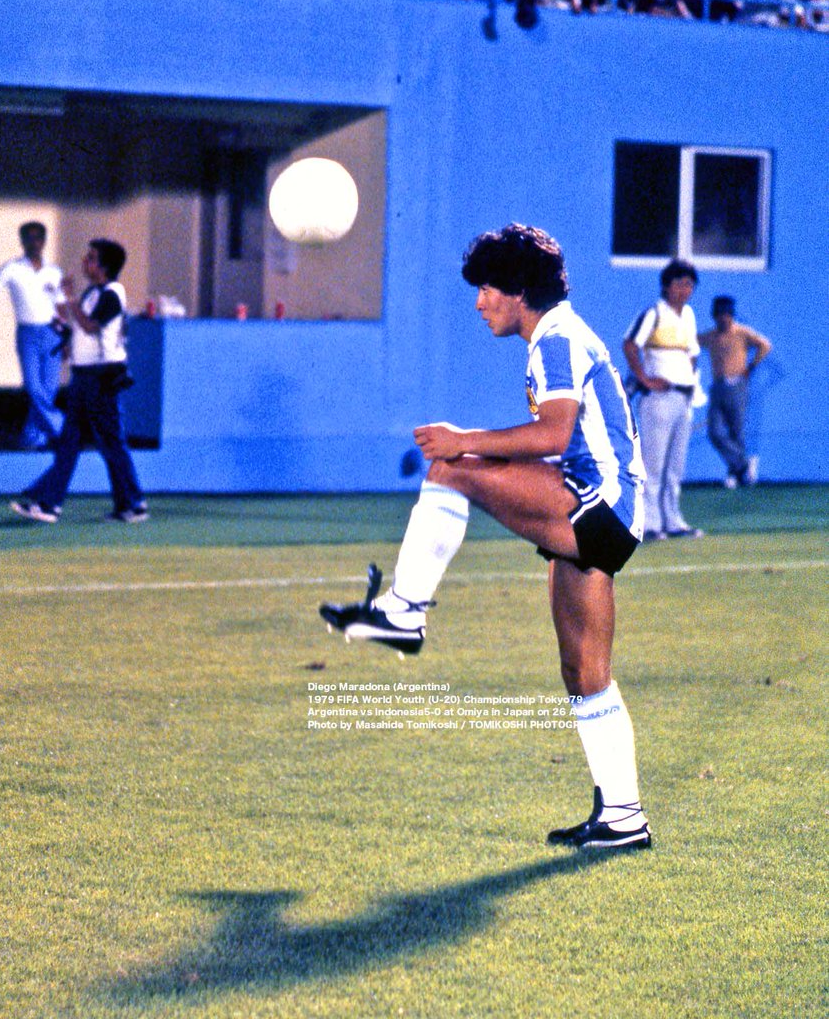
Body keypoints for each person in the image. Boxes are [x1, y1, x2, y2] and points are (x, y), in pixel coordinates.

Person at [320, 224, 652, 854]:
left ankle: (404, 613)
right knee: (584, 671)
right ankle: (623, 817)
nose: (479, 303)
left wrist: (463, 439)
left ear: (519, 291)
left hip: (598, 504)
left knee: (451, 469)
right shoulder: (558, 334)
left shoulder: (556, 338)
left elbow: (553, 435)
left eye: (487, 289)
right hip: (602, 511)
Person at [11, 239, 147, 524]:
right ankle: (50, 503)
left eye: (91, 258)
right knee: (72, 442)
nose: (85, 261)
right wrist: (66, 337)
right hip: (84, 376)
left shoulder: (112, 294)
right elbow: (81, 329)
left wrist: (70, 298)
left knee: (108, 442)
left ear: (104, 266)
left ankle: (130, 503)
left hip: (102, 377)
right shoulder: (92, 293)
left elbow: (91, 325)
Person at [0, 221, 64, 451]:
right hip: (28, 334)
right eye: (29, 238)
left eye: (38, 238)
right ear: (23, 241)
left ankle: (33, 438)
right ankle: (62, 428)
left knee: (49, 388)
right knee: (33, 386)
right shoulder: (12, 268)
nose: (34, 243)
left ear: (44, 241)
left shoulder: (54, 272)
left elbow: (60, 306)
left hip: (53, 333)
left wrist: (67, 336)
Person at [622, 259, 702, 542]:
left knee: (675, 465)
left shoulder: (689, 315)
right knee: (654, 464)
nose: (684, 290)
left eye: (689, 284)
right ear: (666, 286)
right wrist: (645, 379)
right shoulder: (653, 313)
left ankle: (672, 520)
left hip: (683, 398)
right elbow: (630, 344)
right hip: (659, 398)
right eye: (679, 284)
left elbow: (693, 353)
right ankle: (650, 524)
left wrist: (691, 384)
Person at [699, 295, 772, 488]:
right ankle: (743, 464)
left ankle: (736, 473)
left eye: (727, 315)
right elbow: (693, 342)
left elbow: (765, 345)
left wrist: (751, 366)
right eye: (720, 315)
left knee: (736, 430)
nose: (724, 319)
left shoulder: (742, 332)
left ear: (732, 315)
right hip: (718, 387)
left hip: (737, 385)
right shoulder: (711, 336)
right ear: (715, 316)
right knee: (715, 431)